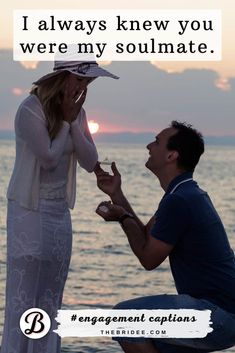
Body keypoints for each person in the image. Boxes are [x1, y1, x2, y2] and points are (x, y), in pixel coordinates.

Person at [1, 59, 118, 353]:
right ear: (62, 78)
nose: (83, 88)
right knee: (23, 297)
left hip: (58, 213)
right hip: (29, 209)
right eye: (79, 80)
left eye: (87, 83)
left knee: (51, 298)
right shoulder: (30, 108)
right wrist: (67, 120)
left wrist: (73, 121)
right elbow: (49, 158)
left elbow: (91, 162)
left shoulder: (78, 114)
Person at [95, 121, 235, 353]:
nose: (149, 146)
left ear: (172, 155)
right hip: (219, 315)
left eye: (157, 141)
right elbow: (146, 238)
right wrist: (116, 194)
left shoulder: (179, 200)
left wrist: (122, 219)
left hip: (218, 315)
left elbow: (148, 258)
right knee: (154, 344)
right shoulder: (184, 193)